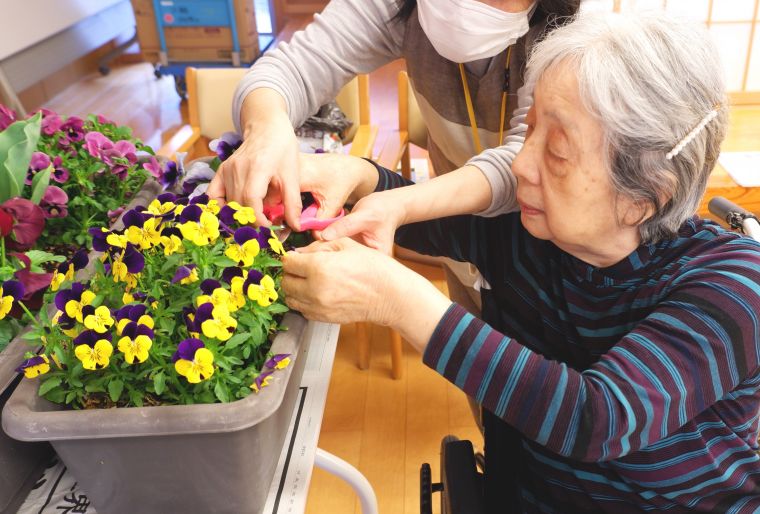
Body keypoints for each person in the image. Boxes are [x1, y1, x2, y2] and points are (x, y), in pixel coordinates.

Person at [281, 11, 760, 513]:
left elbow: (595, 418)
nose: (521, 166)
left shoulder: (732, 285)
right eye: (527, 133)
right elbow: (412, 212)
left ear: (645, 196)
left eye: (555, 151)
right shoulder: (533, 234)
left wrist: (397, 300)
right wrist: (353, 176)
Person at [208, 0, 582, 332]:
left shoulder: (574, 30)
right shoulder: (401, 8)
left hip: (556, 271)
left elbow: (519, 162)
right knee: (486, 399)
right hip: (458, 236)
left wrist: (390, 199)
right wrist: (267, 128)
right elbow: (289, 69)